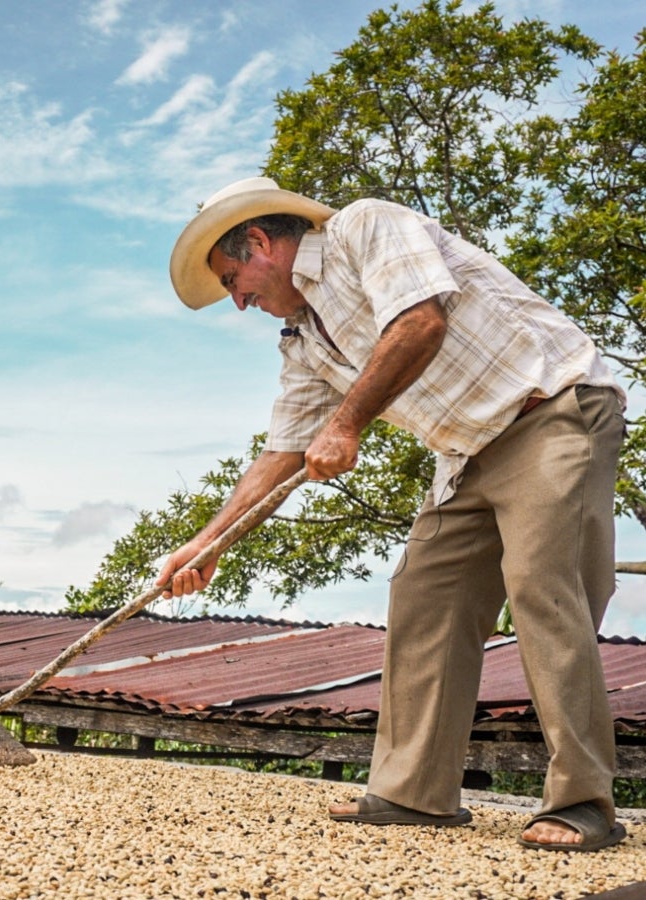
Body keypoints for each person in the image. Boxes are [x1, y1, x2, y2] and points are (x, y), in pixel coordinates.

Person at [156, 176, 628, 852]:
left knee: (542, 587)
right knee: (423, 596)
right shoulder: (302, 341)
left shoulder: (363, 227)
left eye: (235, 279)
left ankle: (583, 801)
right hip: (467, 452)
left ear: (260, 242)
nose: (237, 302)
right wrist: (208, 544)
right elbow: (283, 453)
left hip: (551, 408)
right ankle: (414, 795)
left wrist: (346, 424)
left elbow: (421, 320)